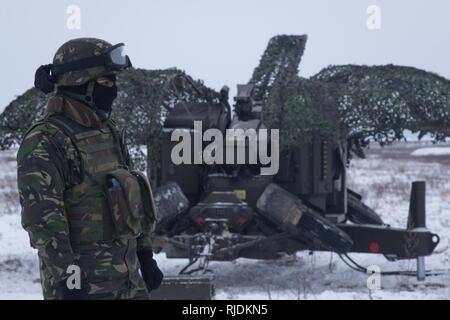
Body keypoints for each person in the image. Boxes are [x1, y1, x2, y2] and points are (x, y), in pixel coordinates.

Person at [17, 38, 163, 300]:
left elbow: (132, 199)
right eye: (106, 83)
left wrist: (145, 254)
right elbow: (43, 222)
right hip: (83, 288)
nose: (114, 90)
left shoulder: (110, 131)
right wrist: (68, 278)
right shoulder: (46, 141)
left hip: (128, 281)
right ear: (80, 84)